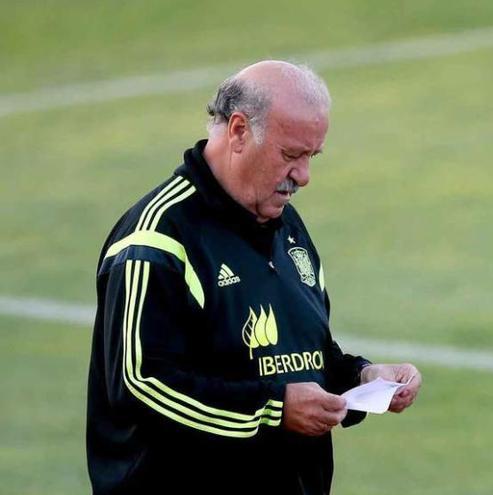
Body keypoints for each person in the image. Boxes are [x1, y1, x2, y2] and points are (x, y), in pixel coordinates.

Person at [86, 60, 422, 494]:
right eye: (291, 155)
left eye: (311, 156)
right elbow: (141, 386)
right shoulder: (158, 238)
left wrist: (361, 379)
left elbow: (303, 357)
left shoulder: (288, 229)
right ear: (240, 131)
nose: (303, 176)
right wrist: (272, 409)